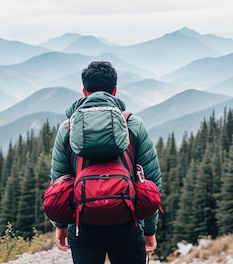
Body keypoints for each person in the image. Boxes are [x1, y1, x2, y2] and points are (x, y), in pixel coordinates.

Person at [50, 61, 162, 263]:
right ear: (115, 90)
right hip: (129, 224)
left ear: (84, 91)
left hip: (82, 225)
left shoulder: (67, 128)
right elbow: (151, 180)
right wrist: (149, 230)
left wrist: (61, 225)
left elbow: (59, 181)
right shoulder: (133, 124)